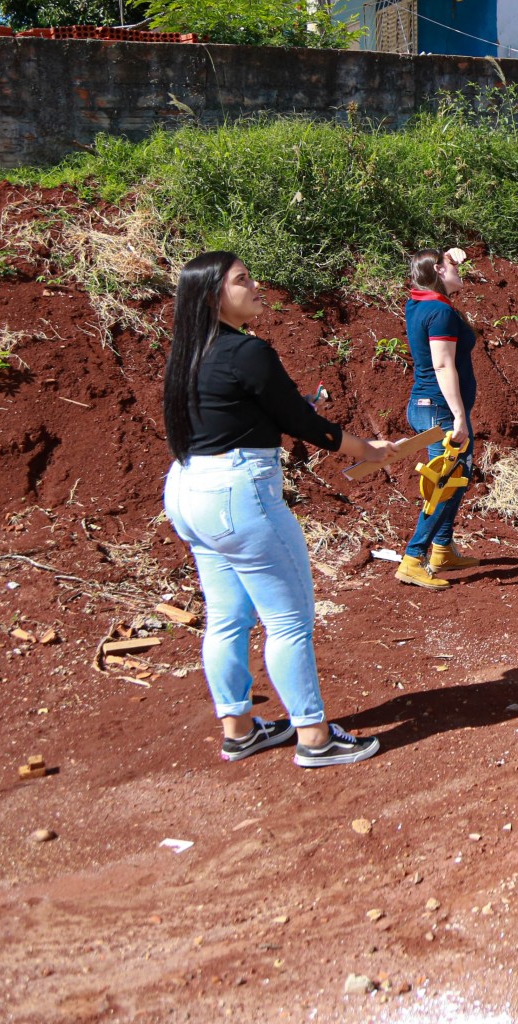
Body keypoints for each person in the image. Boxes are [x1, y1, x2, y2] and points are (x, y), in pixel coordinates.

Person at [160, 251, 392, 768]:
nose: (255, 285)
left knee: (225, 618)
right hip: (238, 493)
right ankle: (314, 737)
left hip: (187, 488)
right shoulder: (248, 352)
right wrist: (366, 450)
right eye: (243, 280)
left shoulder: (185, 355)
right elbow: (303, 423)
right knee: (288, 621)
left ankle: (239, 730)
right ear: (213, 296)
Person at [395, 247, 483, 589]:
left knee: (455, 477)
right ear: (438, 270)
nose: (461, 271)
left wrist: (447, 256)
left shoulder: (418, 303)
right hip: (441, 411)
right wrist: (459, 416)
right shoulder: (440, 312)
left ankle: (442, 549)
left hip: (423, 405)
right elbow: (443, 364)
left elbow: (432, 277)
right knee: (443, 484)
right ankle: (413, 558)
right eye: (452, 267)